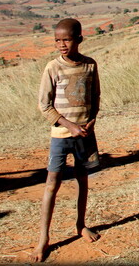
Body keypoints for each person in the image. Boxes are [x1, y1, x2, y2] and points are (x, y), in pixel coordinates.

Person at [32, 18, 101, 262]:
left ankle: (80, 225)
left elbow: (95, 96)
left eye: (67, 39)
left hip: (85, 135)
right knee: (52, 183)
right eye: (57, 40)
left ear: (79, 39)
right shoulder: (52, 67)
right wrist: (69, 125)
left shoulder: (90, 65)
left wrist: (91, 120)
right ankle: (44, 239)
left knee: (83, 180)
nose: (61, 45)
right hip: (61, 136)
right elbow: (44, 105)